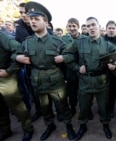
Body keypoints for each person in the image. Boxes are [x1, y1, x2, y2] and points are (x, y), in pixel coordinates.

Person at [15, 1, 76, 140]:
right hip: (37, 80)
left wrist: (64, 57)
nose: (32, 22)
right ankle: (50, 125)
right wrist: (17, 57)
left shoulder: (58, 41)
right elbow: (14, 54)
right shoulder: (27, 42)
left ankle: (68, 125)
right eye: (31, 19)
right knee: (44, 107)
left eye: (36, 19)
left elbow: (72, 54)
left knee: (63, 106)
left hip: (56, 80)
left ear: (46, 22)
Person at [61, 16, 116, 140]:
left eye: (93, 25)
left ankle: (105, 124)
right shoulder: (79, 43)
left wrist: (114, 65)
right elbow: (66, 54)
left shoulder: (108, 45)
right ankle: (82, 126)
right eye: (88, 26)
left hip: (101, 83)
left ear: (99, 26)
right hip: (85, 82)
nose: (91, 28)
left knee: (103, 107)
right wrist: (77, 67)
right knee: (84, 107)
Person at [0, 30, 34, 141]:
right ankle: (5, 130)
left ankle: (28, 129)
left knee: (17, 106)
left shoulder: (2, 36)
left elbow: (19, 50)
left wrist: (9, 71)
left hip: (5, 78)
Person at [14, 2, 43, 122]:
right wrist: (17, 57)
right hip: (29, 67)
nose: (23, 15)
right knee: (33, 90)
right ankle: (38, 110)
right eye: (21, 12)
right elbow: (15, 47)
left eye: (25, 12)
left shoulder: (39, 23)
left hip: (44, 64)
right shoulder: (19, 27)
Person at [103, 20, 116, 118]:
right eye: (109, 28)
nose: (111, 30)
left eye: (113, 28)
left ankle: (110, 110)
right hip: (102, 73)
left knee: (112, 93)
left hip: (115, 73)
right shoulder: (101, 41)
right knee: (102, 93)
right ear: (106, 29)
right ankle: (102, 109)